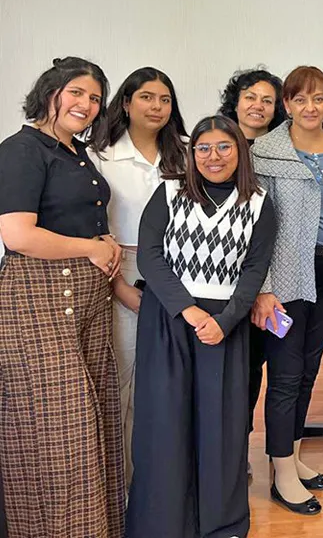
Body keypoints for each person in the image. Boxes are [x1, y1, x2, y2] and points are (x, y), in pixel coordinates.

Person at [126, 115, 276, 538]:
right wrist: (190, 313)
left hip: (225, 326)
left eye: (224, 147)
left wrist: (225, 322)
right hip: (170, 320)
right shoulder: (170, 192)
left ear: (240, 151)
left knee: (221, 428)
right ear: (192, 154)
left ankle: (221, 525)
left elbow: (254, 271)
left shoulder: (260, 202)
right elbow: (149, 257)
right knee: (164, 423)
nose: (214, 157)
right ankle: (161, 524)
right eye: (204, 148)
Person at [0, 57, 125, 538]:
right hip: (36, 298)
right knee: (57, 430)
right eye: (76, 93)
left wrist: (105, 243)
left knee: (95, 420)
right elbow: (17, 234)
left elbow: (80, 214)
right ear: (50, 92)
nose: (87, 104)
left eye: (95, 98)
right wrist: (93, 247)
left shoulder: (74, 152)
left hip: (87, 298)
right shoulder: (22, 149)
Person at [251, 65, 323, 514]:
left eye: (319, 98)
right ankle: (280, 474)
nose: (310, 107)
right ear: (287, 104)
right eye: (300, 99)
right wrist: (262, 288)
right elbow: (253, 226)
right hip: (283, 278)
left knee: (308, 372)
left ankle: (293, 457)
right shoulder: (265, 152)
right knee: (283, 376)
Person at [90, 66, 188, 485]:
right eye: (147, 97)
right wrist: (118, 286)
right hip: (121, 268)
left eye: (165, 99)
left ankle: (171, 485)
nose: (157, 106)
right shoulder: (98, 153)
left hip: (182, 271)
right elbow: (91, 226)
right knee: (126, 382)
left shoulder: (186, 152)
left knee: (175, 383)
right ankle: (128, 491)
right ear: (126, 103)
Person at [218, 65, 287, 479]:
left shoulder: (282, 151)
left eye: (267, 100)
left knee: (250, 370)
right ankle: (217, 453)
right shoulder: (212, 144)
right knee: (219, 371)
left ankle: (239, 454)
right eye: (250, 96)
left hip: (264, 279)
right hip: (214, 280)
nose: (258, 106)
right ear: (236, 100)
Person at [219, 66, 287, 143]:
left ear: (276, 109)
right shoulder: (219, 146)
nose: (258, 106)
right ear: (235, 104)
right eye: (250, 98)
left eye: (267, 101)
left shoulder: (287, 149)